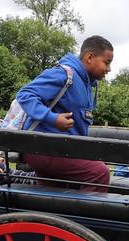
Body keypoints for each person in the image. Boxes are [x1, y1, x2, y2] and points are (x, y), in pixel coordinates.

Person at [14, 35, 115, 191]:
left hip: (60, 150)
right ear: (90, 57)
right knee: (99, 172)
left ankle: (49, 215)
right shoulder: (64, 74)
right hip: (44, 148)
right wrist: (52, 118)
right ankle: (84, 215)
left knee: (55, 195)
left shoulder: (86, 83)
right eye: (106, 63)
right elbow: (25, 94)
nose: (109, 69)